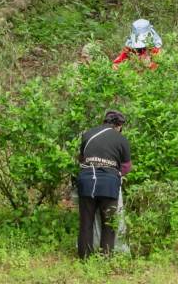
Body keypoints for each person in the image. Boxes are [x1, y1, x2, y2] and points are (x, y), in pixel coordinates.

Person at [76, 110, 132, 259]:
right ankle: (105, 258)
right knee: (109, 224)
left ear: (104, 121)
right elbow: (126, 167)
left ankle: (84, 258)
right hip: (109, 184)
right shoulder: (121, 139)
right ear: (119, 125)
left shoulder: (88, 134)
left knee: (86, 223)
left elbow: (81, 159)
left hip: (86, 182)